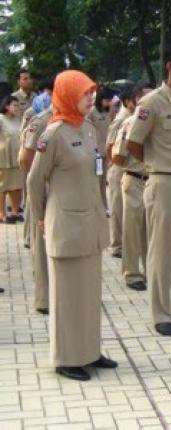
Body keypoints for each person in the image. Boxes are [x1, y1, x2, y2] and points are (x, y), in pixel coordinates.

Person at [27, 70, 116, 381]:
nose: (91, 98)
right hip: (66, 223)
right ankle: (66, 357)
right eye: (84, 93)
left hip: (90, 222)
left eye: (92, 92)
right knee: (66, 295)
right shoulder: (53, 134)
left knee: (89, 292)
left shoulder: (88, 128)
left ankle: (89, 350)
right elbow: (34, 180)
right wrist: (40, 216)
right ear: (67, 95)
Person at [127, 36, 171, 336]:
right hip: (164, 181)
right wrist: (155, 163)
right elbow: (133, 143)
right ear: (170, 66)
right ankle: (161, 313)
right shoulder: (151, 103)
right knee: (161, 251)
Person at [112, 83, 154, 292]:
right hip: (135, 179)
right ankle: (132, 273)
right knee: (132, 230)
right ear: (136, 100)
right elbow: (118, 157)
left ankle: (151, 270)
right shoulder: (129, 123)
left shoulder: (158, 122)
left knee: (151, 230)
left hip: (154, 180)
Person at [18, 95, 54, 314]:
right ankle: (44, 298)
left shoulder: (81, 122)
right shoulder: (41, 121)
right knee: (41, 245)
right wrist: (40, 181)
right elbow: (26, 158)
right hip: (43, 188)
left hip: (68, 192)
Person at [105, 90, 132, 259]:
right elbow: (109, 146)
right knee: (118, 208)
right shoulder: (121, 119)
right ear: (128, 101)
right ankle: (116, 245)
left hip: (128, 166)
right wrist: (113, 164)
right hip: (118, 167)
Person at [0, 96, 25, 223]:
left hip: (17, 157)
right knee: (3, 187)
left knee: (17, 186)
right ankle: (2, 214)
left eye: (18, 105)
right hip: (4, 158)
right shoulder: (1, 119)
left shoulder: (18, 120)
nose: (17, 108)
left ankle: (15, 212)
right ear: (6, 106)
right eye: (14, 105)